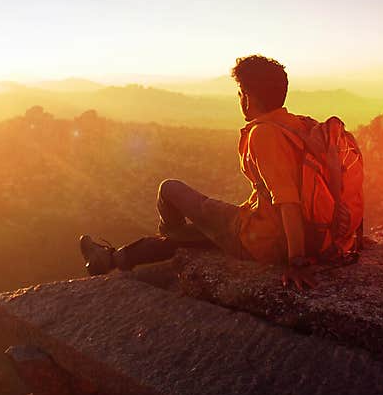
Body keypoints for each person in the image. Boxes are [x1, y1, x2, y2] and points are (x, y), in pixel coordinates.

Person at [79, 54, 319, 290]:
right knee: (201, 236)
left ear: (247, 97)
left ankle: (169, 235)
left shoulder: (264, 134)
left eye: (240, 94)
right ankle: (111, 259)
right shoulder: (300, 126)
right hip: (307, 236)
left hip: (263, 241)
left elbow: (289, 202)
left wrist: (296, 261)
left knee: (169, 189)